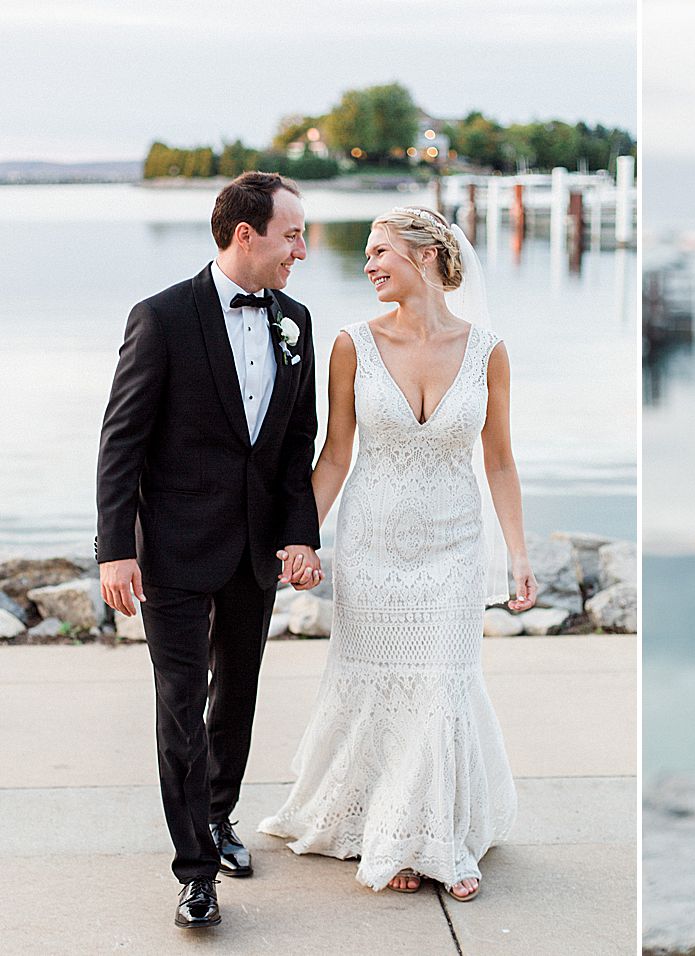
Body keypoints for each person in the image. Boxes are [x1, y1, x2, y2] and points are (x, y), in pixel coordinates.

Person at [259, 205, 538, 902]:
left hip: (453, 546)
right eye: (366, 254)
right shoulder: (352, 343)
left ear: (422, 256)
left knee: (441, 681)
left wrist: (519, 554)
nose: (369, 264)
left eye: (380, 250)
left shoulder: (489, 350)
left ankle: (429, 834)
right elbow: (334, 457)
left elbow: (499, 461)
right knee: (378, 683)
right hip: (371, 545)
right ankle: (391, 829)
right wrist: (298, 538)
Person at [96, 171, 324, 929]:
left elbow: (298, 444)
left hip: (256, 550)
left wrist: (299, 531)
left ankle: (219, 816)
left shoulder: (297, 319)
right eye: (292, 233)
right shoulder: (161, 317)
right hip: (172, 549)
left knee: (239, 697)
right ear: (245, 234)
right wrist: (114, 549)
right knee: (181, 708)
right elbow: (121, 443)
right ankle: (195, 871)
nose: (303, 247)